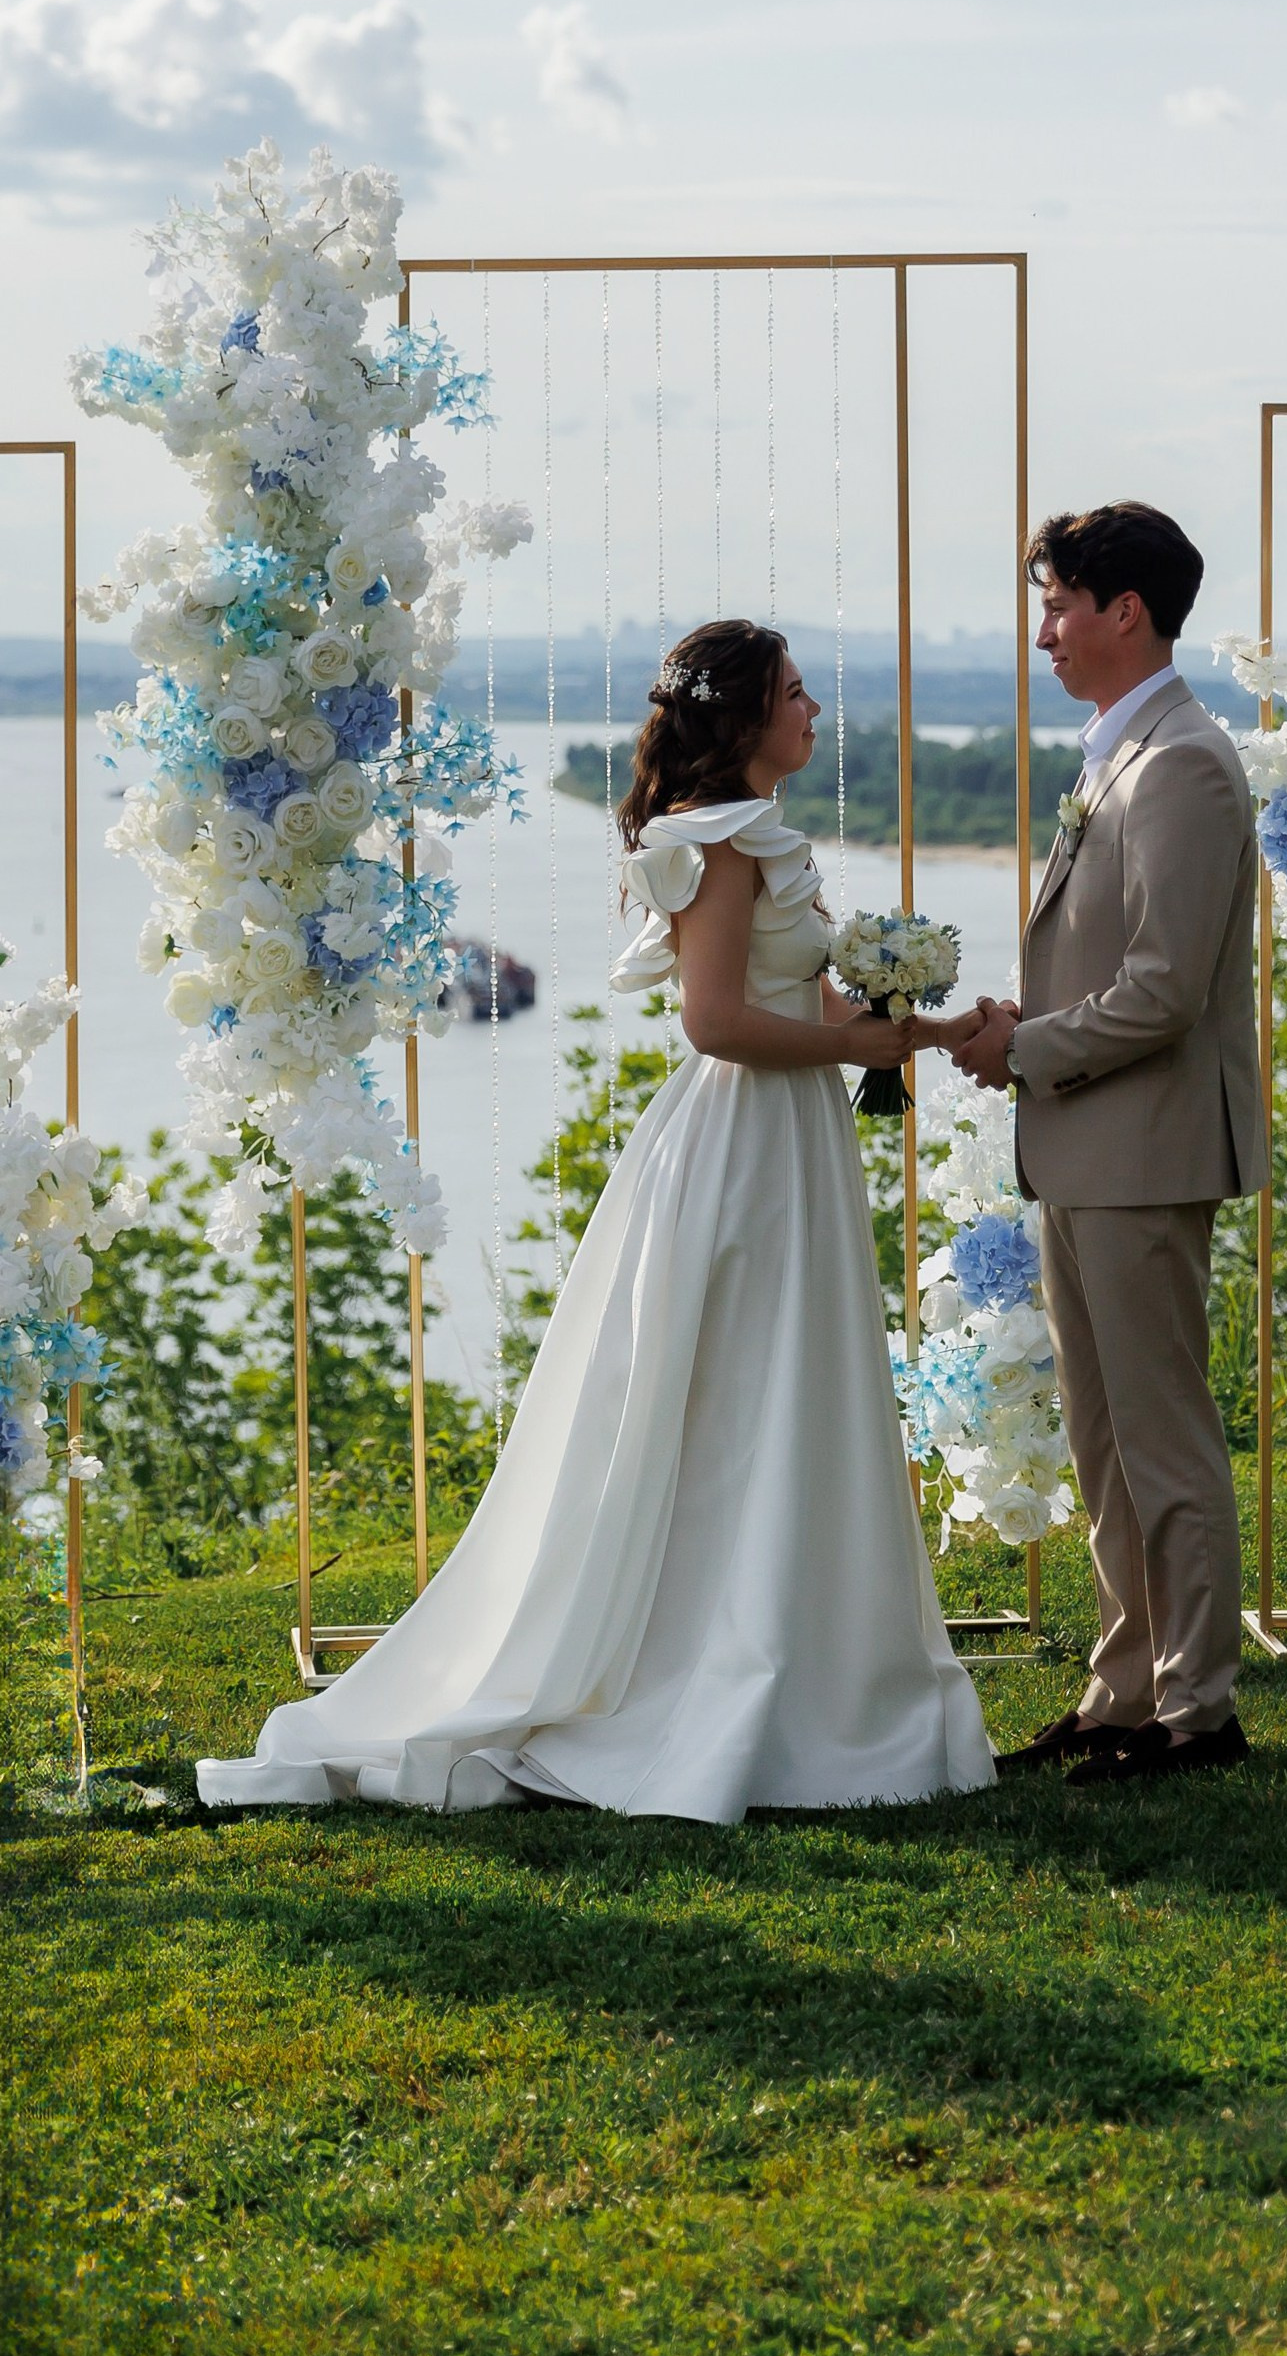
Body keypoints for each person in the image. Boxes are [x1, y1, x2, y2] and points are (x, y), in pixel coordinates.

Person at [197, 621, 995, 1821]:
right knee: (738, 1388)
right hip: (745, 1137)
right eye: (794, 694)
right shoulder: (715, 849)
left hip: (795, 1133)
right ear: (739, 719)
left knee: (793, 1383)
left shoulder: (765, 838)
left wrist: (922, 1026)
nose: (814, 713)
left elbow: (813, 994)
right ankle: (718, 1665)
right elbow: (717, 1020)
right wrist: (848, 1044)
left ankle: (797, 1648)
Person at [951, 501, 1266, 1787]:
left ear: (1124, 609)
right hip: (1089, 1147)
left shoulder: (1182, 759)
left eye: (1059, 606)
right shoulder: (1118, 750)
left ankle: (1199, 1708)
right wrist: (1026, 1027)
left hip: (1143, 1148)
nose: (1045, 634)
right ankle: (1124, 1683)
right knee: (1104, 1441)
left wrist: (1024, 1048)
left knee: (1163, 1438)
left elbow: (1165, 988)